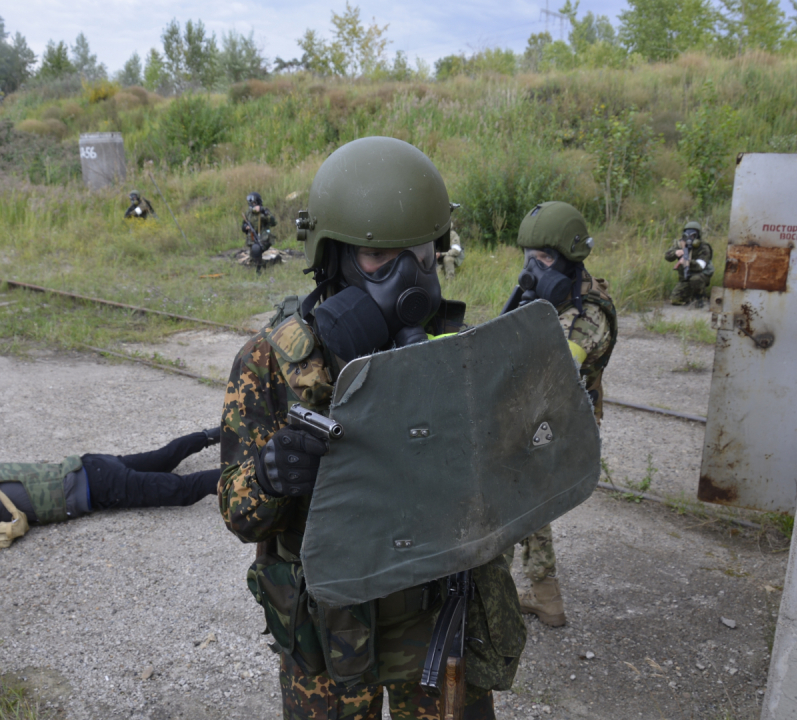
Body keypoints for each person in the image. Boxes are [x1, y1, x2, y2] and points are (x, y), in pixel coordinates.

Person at [220, 136, 521, 719]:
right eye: (381, 259)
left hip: (434, 625)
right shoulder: (272, 363)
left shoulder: (451, 352)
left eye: (423, 256)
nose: (409, 278)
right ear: (331, 258)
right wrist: (271, 473)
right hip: (329, 639)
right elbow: (236, 512)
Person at [505, 201, 617, 628]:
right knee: (526, 502)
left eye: (545, 259)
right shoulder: (548, 298)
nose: (533, 268)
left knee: (518, 500)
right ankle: (543, 594)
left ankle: (515, 590)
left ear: (571, 258)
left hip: (559, 422)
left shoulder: (587, 313)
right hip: (538, 417)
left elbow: (552, 372)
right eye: (529, 258)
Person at [0, 429, 221, 559]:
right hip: (92, 464)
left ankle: (245, 476)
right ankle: (215, 434)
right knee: (162, 458)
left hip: (101, 486)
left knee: (180, 490)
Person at [664, 221, 713, 307]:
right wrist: (675, 253)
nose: (690, 238)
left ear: (698, 235)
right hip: (685, 278)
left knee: (695, 279)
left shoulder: (704, 247)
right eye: (687, 234)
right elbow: (667, 257)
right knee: (675, 300)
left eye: (693, 235)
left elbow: (700, 266)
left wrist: (688, 262)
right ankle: (689, 296)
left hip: (700, 275)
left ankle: (699, 298)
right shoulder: (680, 244)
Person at [242, 191, 277, 272]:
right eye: (251, 203)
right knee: (253, 262)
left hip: (264, 239)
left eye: (254, 203)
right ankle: (271, 262)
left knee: (256, 249)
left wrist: (262, 211)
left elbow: (273, 222)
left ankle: (259, 270)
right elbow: (243, 226)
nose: (253, 205)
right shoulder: (248, 213)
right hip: (252, 239)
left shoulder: (264, 211)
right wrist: (245, 227)